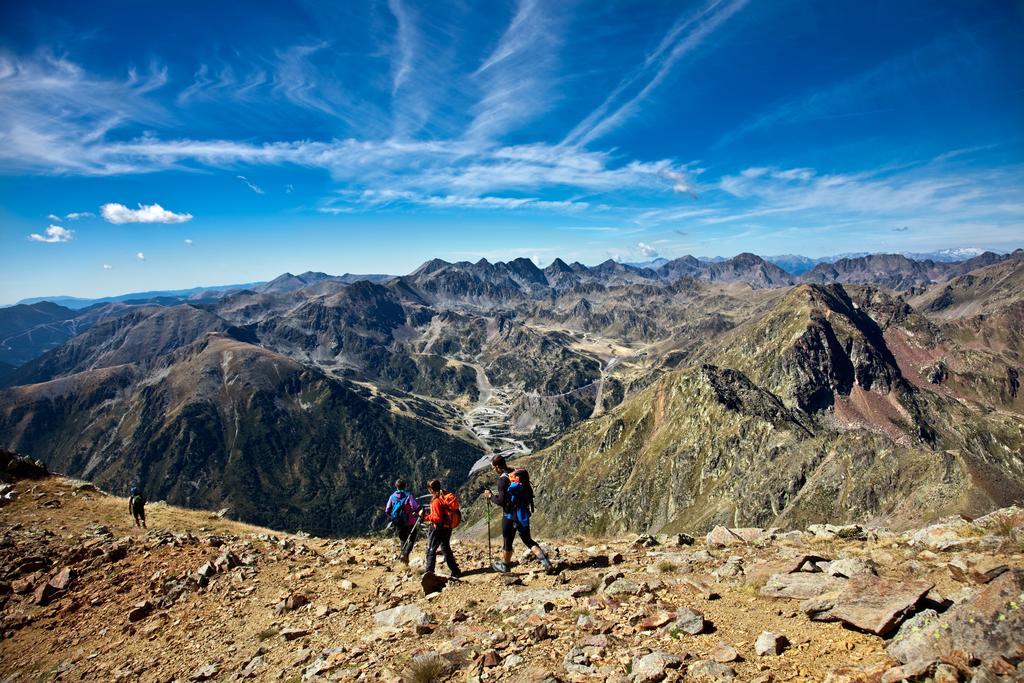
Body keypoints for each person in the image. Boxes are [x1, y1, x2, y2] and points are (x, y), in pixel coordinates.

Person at [484, 454, 553, 573]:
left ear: (497, 467)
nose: (493, 470)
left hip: (509, 515)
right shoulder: (515, 473)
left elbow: (501, 501)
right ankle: (546, 563)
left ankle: (505, 566)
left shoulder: (502, 480)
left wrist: (490, 496)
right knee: (528, 540)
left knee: (507, 541)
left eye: (493, 467)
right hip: (522, 513)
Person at [420, 479, 462, 578]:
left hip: (439, 528)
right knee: (445, 548)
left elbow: (437, 518)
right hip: (448, 527)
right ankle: (455, 571)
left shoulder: (436, 501)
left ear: (430, 489)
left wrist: (425, 517)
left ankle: (429, 573)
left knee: (431, 549)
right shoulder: (444, 496)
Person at [385, 479, 421, 563]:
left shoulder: (392, 497)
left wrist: (392, 518)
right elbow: (416, 507)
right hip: (410, 521)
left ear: (396, 486)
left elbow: (387, 510)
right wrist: (418, 513)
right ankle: (406, 554)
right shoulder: (408, 496)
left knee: (402, 540)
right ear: (405, 486)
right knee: (412, 539)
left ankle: (403, 561)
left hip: (398, 522)